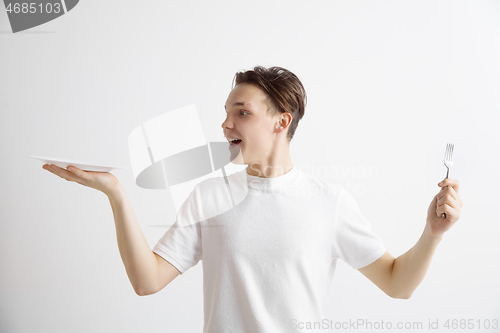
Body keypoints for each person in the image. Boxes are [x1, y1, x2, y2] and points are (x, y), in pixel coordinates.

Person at [43, 66, 463, 332]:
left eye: (241, 112)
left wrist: (433, 232)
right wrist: (116, 194)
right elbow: (146, 281)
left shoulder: (328, 202)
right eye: (226, 112)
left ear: (282, 121)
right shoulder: (209, 195)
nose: (226, 124)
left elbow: (397, 284)